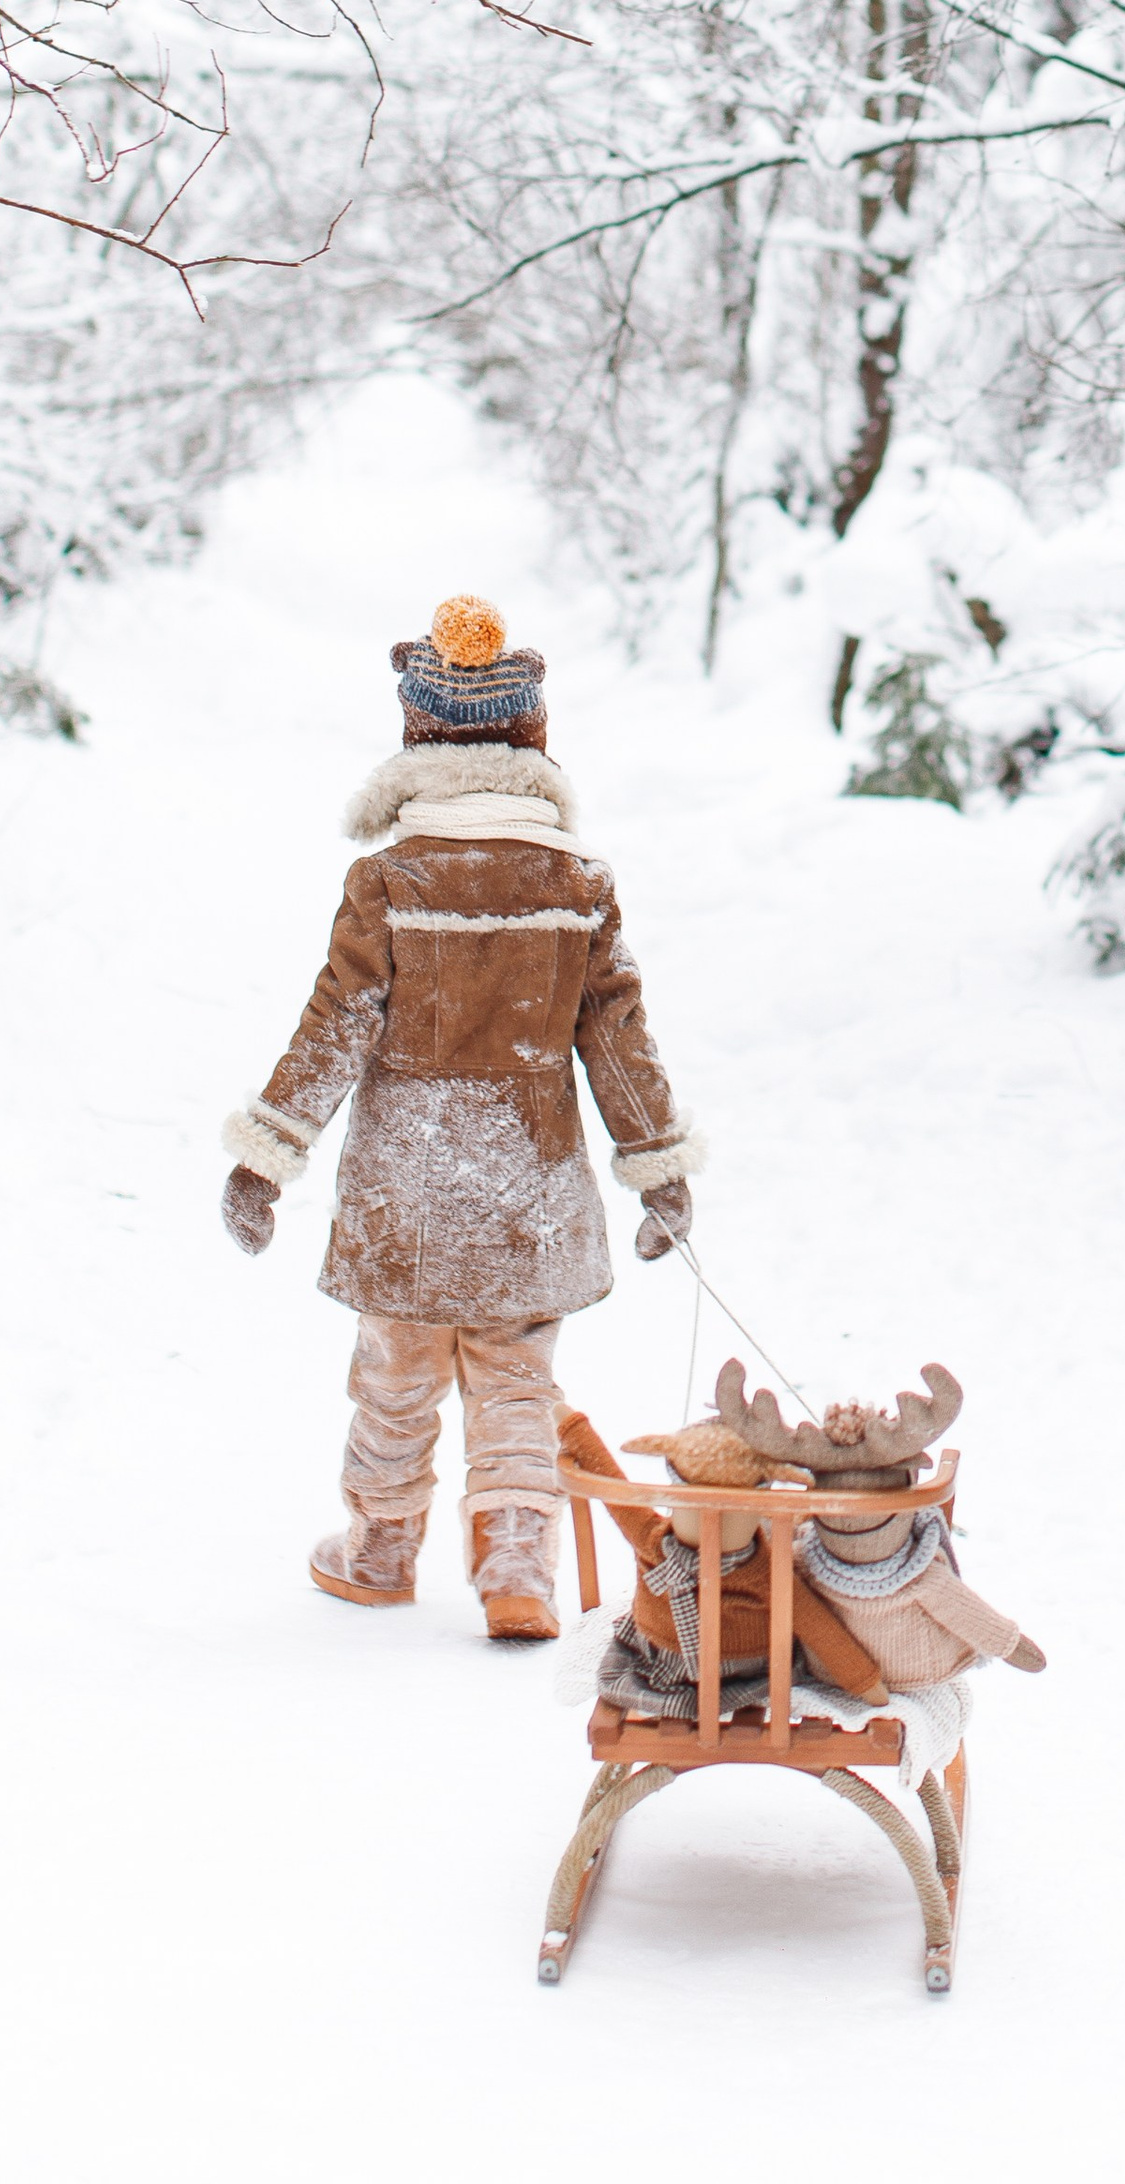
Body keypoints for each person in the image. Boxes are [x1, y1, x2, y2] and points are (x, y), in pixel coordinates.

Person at [218, 596, 698, 1641]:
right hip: (531, 1182)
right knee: (517, 1378)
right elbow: (617, 1036)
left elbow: (337, 1022)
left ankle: (381, 1551)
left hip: (406, 1183)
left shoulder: (389, 879)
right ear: (530, 739)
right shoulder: (576, 881)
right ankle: (517, 1562)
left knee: (394, 1375)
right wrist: (659, 1168)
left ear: (418, 738)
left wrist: (267, 1154)